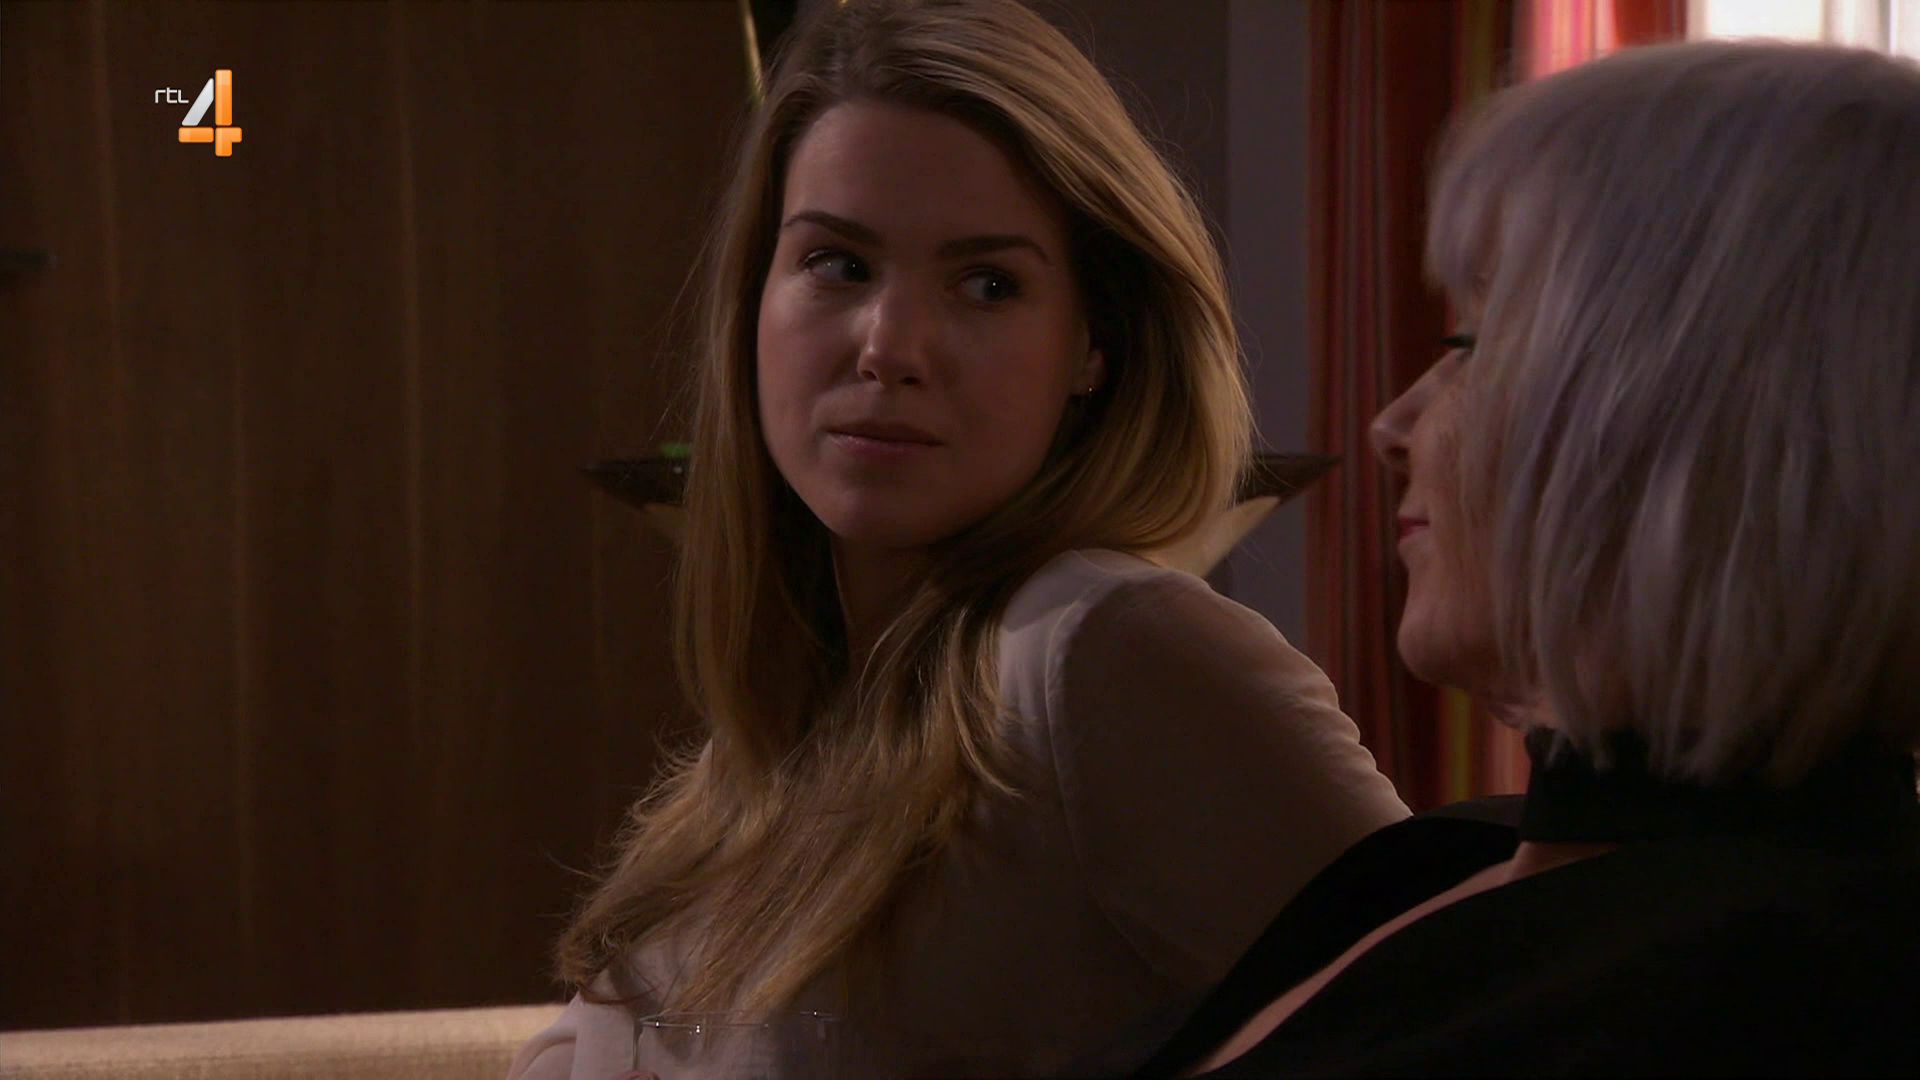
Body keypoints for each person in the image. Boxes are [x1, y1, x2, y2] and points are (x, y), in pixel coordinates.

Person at [507, 1, 1408, 1076]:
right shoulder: (781, 737)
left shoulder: (1104, 652)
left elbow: (1469, 1022)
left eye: (987, 285)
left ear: (1093, 343)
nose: (890, 346)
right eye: (838, 264)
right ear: (754, 301)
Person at [1123, 40, 1920, 1078]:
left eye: (1475, 347)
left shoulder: (1801, 987)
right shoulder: (1431, 859)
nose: (1391, 424)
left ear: (1702, 423)